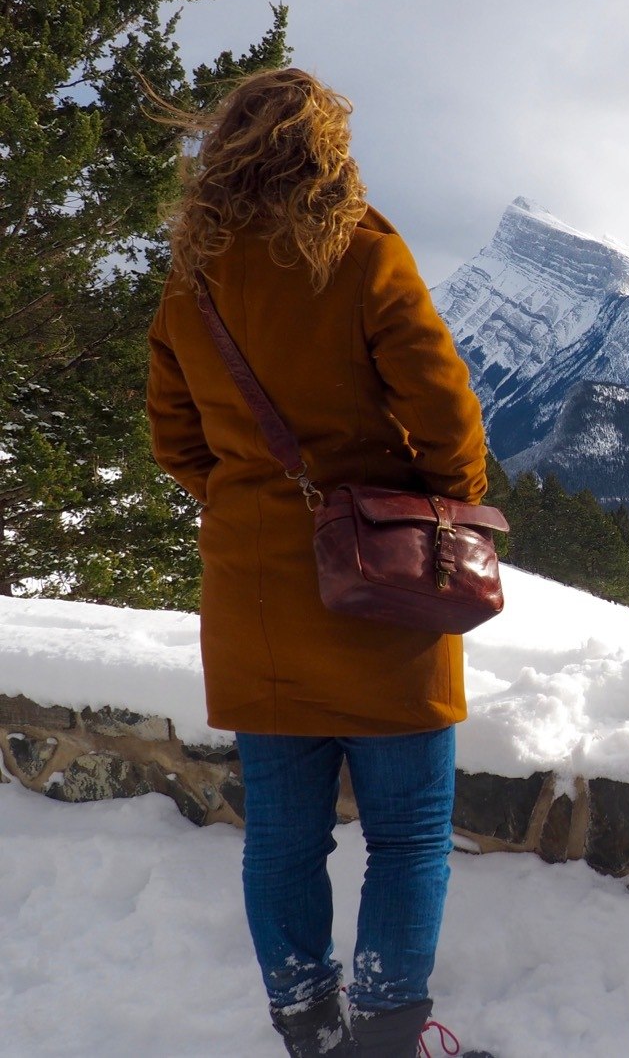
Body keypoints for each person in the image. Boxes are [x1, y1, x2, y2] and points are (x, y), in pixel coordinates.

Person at [147, 68, 492, 1058]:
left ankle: (306, 1024)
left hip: (253, 601)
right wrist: (428, 508)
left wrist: (244, 501)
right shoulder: (360, 248)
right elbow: (447, 413)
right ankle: (385, 1035)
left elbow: (175, 438)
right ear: (325, 148)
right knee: (410, 835)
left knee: (284, 839)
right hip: (383, 593)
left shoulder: (193, 277)